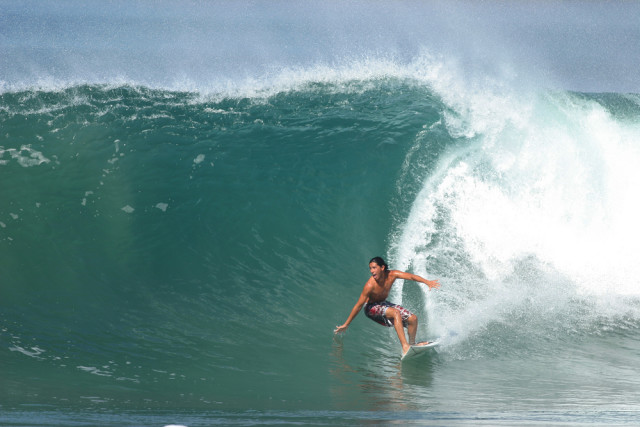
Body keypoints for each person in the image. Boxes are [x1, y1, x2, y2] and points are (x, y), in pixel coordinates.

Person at [334, 256, 440, 355]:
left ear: (382, 267)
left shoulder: (392, 275)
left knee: (413, 318)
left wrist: (427, 282)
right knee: (395, 313)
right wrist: (346, 324)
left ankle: (412, 344)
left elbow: (411, 276)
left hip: (383, 304)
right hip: (370, 308)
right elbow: (358, 305)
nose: (372, 271)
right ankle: (405, 346)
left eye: (374, 268)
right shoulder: (370, 285)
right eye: (370, 268)